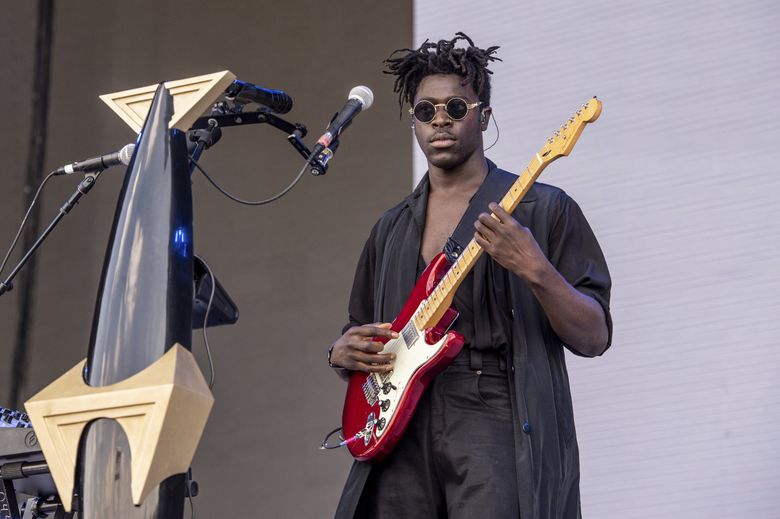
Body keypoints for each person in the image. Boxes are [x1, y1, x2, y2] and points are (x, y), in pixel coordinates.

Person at [328, 33, 612, 519]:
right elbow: (359, 331)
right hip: (401, 422)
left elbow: (594, 335)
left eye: (455, 107)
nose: (440, 119)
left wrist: (535, 268)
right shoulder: (390, 228)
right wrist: (340, 352)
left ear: (483, 115)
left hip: (492, 412)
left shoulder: (544, 209)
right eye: (425, 111)